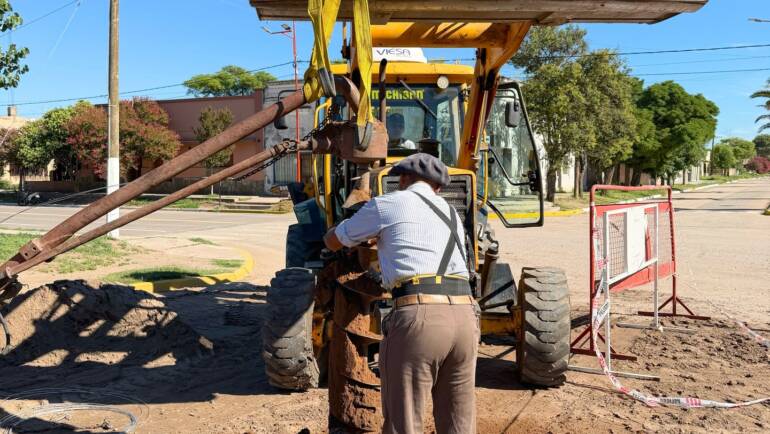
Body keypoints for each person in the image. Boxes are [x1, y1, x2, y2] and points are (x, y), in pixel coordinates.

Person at [323, 153, 479, 434]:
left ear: (403, 179)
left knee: (404, 422)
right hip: (466, 318)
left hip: (420, 317)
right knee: (459, 423)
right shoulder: (451, 213)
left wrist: (338, 236)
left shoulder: (387, 204)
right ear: (438, 187)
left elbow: (336, 240)